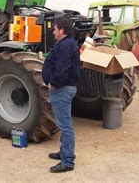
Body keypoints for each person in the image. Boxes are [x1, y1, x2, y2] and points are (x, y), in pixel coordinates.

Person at [42, 18, 80, 173]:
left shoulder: (65, 45)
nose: (54, 31)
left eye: (55, 29)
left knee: (65, 126)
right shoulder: (67, 43)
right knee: (65, 123)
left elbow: (62, 69)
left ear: (62, 30)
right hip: (65, 88)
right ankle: (64, 152)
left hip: (62, 89)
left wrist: (54, 83)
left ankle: (67, 161)